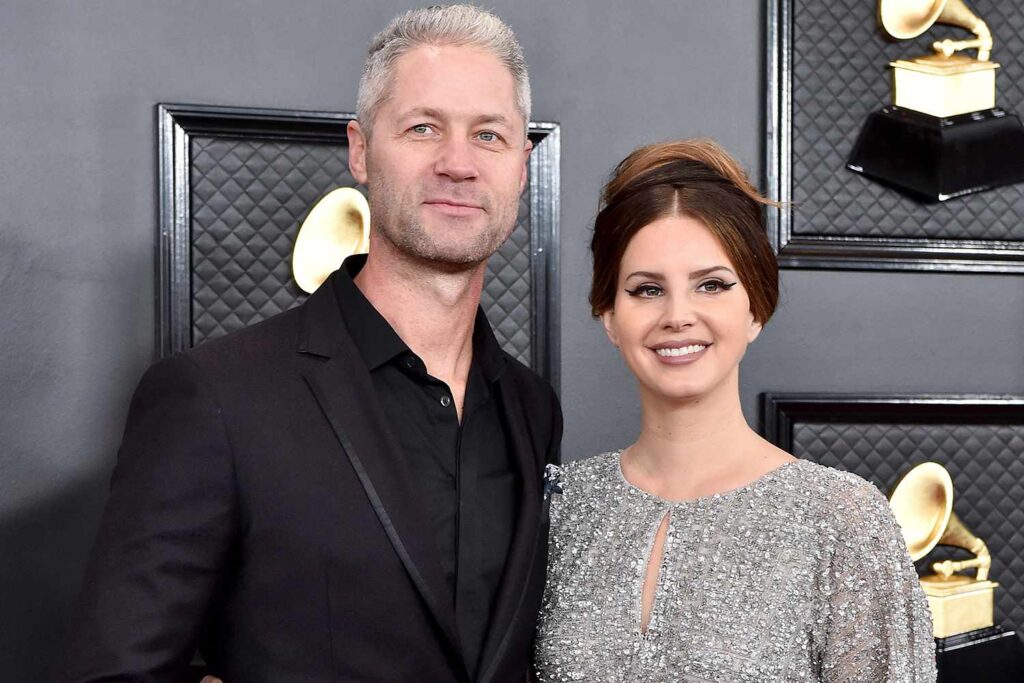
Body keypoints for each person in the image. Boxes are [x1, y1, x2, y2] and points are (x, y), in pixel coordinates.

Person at [61, 6, 560, 682]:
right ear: (360, 150)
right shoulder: (214, 397)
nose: (458, 163)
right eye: (423, 127)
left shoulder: (532, 408)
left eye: (489, 135)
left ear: (522, 166)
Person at [532, 140, 935, 682]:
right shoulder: (560, 507)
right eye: (647, 290)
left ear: (755, 309)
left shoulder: (841, 519)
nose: (678, 315)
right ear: (609, 315)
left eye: (712, 285)